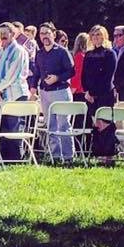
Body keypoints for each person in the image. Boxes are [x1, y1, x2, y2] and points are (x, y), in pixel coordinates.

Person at [31, 23, 76, 162]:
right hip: (45, 93)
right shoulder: (39, 53)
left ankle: (68, 156)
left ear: (54, 34)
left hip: (61, 91)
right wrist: (33, 87)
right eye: (42, 33)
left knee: (63, 125)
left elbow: (71, 71)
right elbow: (37, 73)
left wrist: (57, 77)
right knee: (50, 125)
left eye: (47, 33)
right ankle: (55, 156)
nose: (44, 36)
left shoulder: (62, 52)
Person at [0, 23, 31, 160]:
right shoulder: (1, 51)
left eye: (5, 33)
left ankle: (17, 159)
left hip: (16, 94)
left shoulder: (18, 50)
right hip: (2, 96)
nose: (2, 36)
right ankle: (4, 158)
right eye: (0, 33)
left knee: (15, 128)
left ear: (13, 34)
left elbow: (12, 74)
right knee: (4, 127)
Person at [82, 25, 116, 124]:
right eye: (93, 35)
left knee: (105, 124)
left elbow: (108, 77)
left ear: (103, 36)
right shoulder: (88, 54)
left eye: (98, 34)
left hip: (105, 94)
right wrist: (87, 92)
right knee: (94, 125)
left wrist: (94, 93)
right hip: (89, 96)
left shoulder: (110, 53)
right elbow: (84, 75)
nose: (95, 37)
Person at [70, 32, 90, 103]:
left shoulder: (80, 56)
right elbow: (78, 75)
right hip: (81, 92)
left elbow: (78, 75)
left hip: (80, 92)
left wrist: (72, 89)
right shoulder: (82, 56)